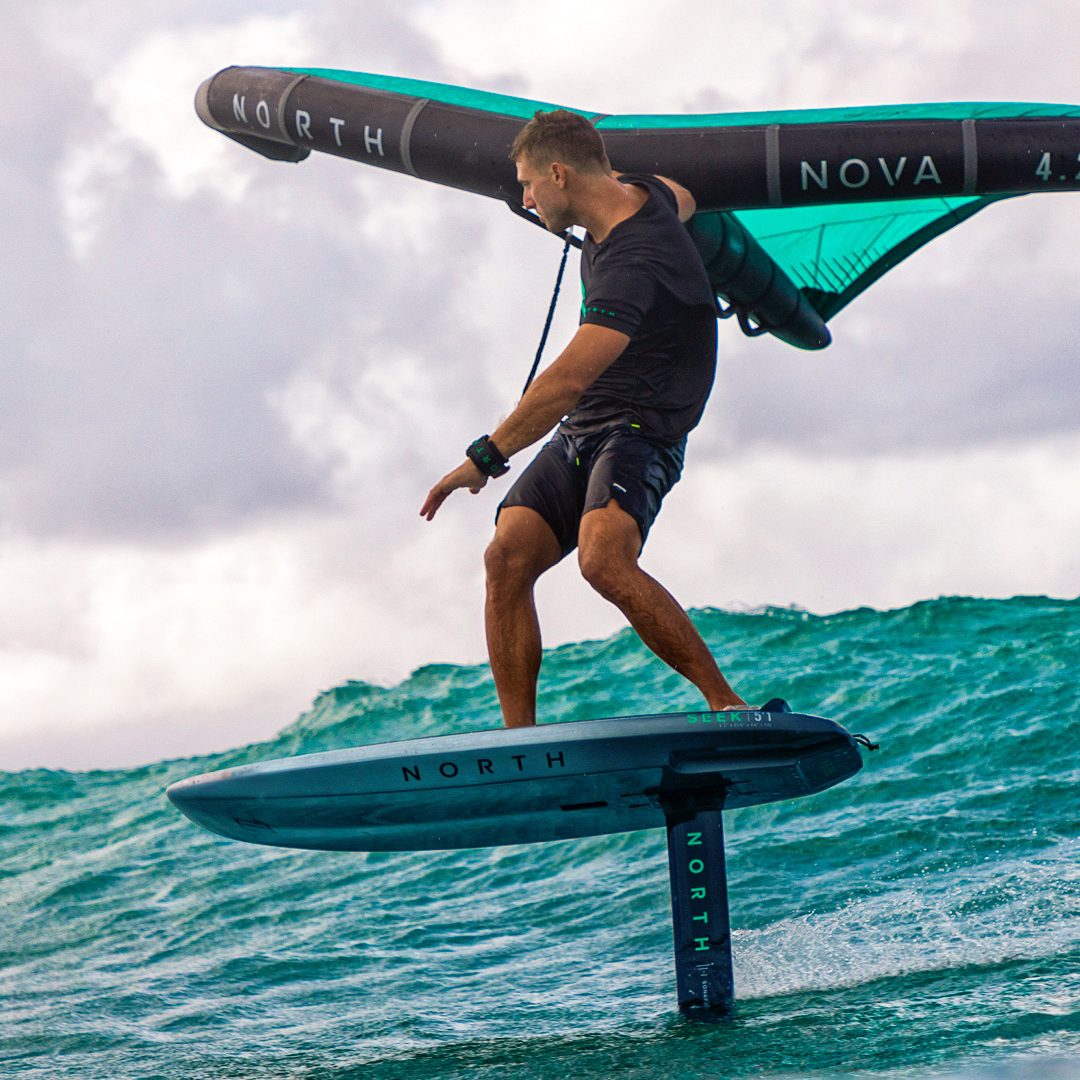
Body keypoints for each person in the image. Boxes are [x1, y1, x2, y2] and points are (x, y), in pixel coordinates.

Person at [420, 109, 747, 726]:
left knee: (603, 559)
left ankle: (726, 702)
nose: (525, 199)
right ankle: (520, 741)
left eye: (528, 184)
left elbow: (567, 382)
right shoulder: (643, 193)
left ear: (559, 175)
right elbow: (682, 195)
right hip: (587, 425)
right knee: (506, 556)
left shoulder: (634, 262)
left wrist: (483, 459)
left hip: (643, 426)